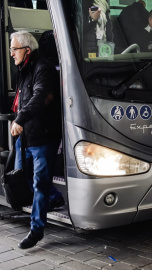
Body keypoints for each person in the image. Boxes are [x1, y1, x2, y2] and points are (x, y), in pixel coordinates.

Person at [10, 30, 62, 249]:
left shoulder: (44, 68)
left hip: (42, 136)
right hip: (27, 135)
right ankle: (53, 198)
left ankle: (36, 229)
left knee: (39, 182)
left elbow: (39, 96)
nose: (11, 53)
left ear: (27, 50)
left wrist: (20, 119)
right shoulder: (25, 68)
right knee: (25, 176)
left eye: (14, 49)